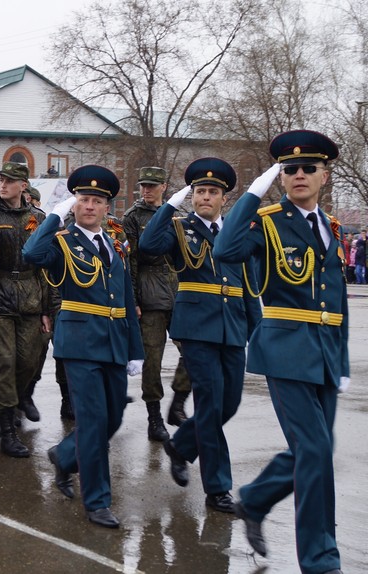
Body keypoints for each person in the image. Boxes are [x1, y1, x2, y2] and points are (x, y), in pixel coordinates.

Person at [214, 130, 348, 574]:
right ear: (280, 177)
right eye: (289, 169)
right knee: (312, 449)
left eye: (309, 168)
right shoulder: (267, 221)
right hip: (286, 349)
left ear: (325, 175)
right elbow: (226, 249)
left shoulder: (330, 226)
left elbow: (337, 297)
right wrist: (252, 194)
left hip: (326, 351)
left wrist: (342, 360)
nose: (299, 175)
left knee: (318, 452)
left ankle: (254, 499)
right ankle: (320, 559)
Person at [22, 165, 143, 529]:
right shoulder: (61, 243)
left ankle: (64, 455)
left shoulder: (115, 246)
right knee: (92, 423)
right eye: (83, 200)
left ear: (108, 207)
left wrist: (135, 349)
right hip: (79, 345)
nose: (89, 206)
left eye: (97, 201)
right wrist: (53, 217)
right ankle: (98, 501)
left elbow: (125, 299)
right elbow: (31, 254)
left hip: (114, 343)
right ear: (74, 205)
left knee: (113, 420)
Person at [138, 157, 262, 514]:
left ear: (225, 198)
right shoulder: (178, 228)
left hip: (233, 326)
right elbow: (148, 245)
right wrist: (170, 206)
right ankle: (218, 488)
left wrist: (258, 329)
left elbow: (250, 284)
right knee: (210, 403)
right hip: (196, 327)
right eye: (199, 191)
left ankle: (181, 446)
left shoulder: (238, 231)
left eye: (213, 192)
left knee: (230, 403)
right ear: (191, 196)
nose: (205, 197)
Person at [0, 162, 49, 458]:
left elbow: (47, 266)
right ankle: (8, 429)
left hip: (31, 297)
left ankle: (0, 403)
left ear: (23, 186)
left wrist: (48, 307)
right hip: (0, 295)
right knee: (5, 360)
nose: (3, 184)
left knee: (29, 361)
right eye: (1, 179)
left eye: (10, 180)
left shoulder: (39, 218)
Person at [123, 166, 191, 441]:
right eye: (143, 185)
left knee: (194, 350)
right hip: (148, 292)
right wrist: (135, 300)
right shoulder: (132, 217)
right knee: (152, 360)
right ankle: (154, 418)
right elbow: (131, 262)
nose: (146, 190)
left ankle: (178, 403)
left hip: (177, 289)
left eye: (152, 185)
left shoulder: (179, 215)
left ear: (164, 187)